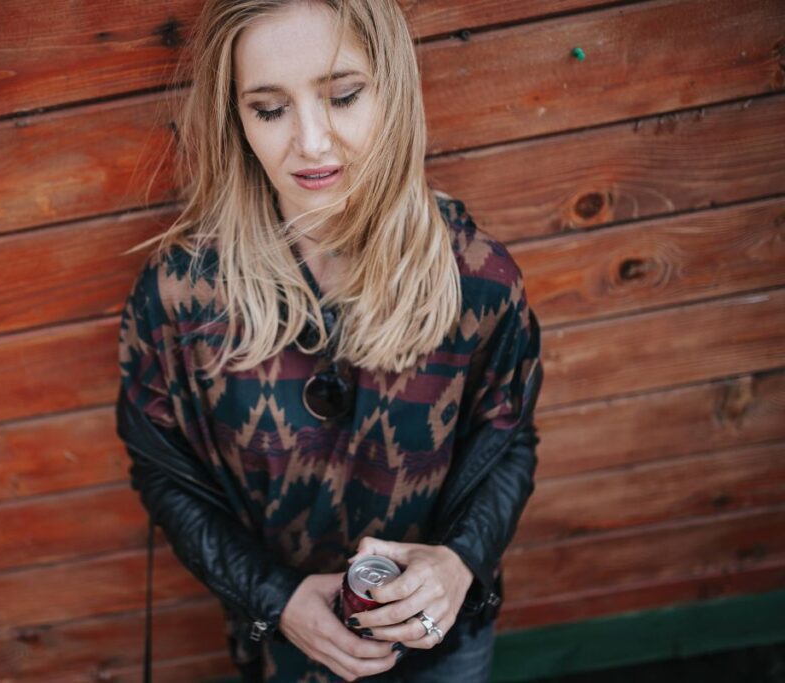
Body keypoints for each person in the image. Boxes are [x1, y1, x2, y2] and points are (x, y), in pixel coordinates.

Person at [115, 0, 544, 681]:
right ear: (237, 119)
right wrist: (273, 597)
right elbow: (163, 471)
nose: (311, 143)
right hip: (284, 644)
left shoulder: (477, 280)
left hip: (443, 640)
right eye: (269, 108)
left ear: (391, 91)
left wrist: (459, 560)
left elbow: (509, 439)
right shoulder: (181, 298)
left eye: (342, 96)